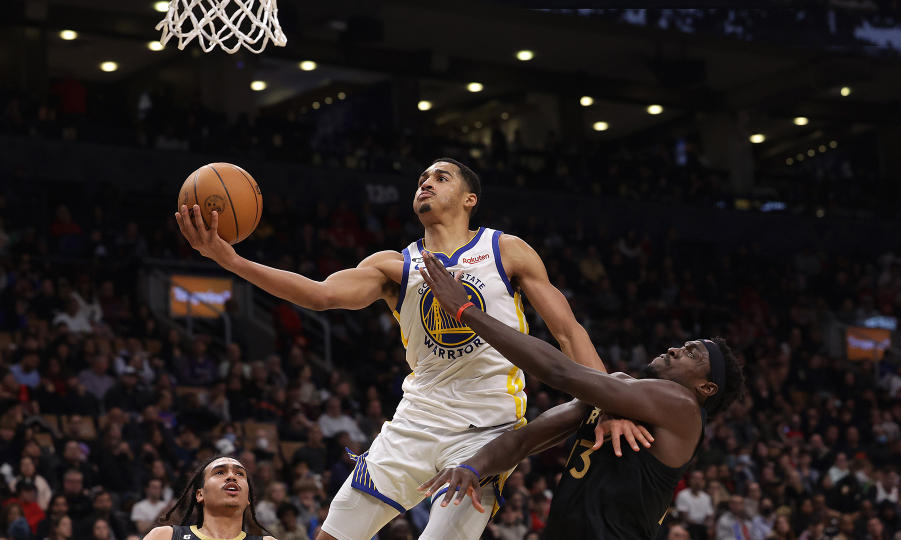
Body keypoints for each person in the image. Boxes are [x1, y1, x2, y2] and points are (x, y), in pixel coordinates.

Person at [175, 158, 642, 540]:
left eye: (441, 178)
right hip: (415, 421)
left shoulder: (507, 251)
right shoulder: (395, 266)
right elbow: (318, 294)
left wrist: (612, 404)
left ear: (468, 199)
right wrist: (231, 260)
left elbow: (568, 331)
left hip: (486, 428)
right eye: (422, 179)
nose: (426, 183)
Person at [416, 251, 746, 540]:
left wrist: (466, 312)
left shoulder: (684, 407)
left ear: (706, 387)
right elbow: (524, 441)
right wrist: (473, 467)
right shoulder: (614, 397)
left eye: (692, 353)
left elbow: (561, 373)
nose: (675, 349)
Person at [142, 456, 274, 540]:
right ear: (200, 494)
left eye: (240, 474)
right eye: (220, 472)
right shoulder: (165, 536)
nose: (232, 477)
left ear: (247, 499)